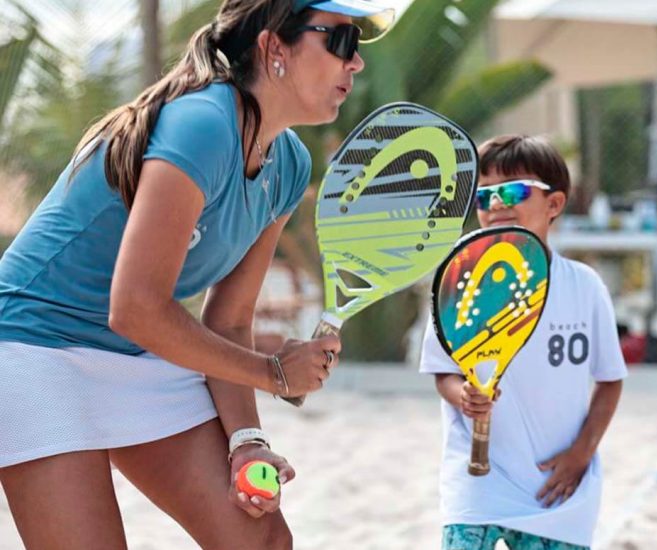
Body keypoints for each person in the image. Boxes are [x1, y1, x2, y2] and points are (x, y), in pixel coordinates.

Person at [0, 1, 394, 548]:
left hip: (132, 351)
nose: (355, 65)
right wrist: (274, 373)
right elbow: (136, 307)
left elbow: (229, 320)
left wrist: (247, 440)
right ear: (274, 48)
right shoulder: (203, 122)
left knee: (263, 542)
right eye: (341, 42)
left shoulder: (289, 163)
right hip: (30, 345)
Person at [419, 135, 627, 550]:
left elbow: (610, 380)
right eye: (484, 196)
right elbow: (443, 372)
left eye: (513, 191)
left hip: (558, 489)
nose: (496, 204)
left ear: (554, 204)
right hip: (477, 484)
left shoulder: (584, 287)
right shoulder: (460, 279)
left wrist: (582, 453)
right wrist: (463, 396)